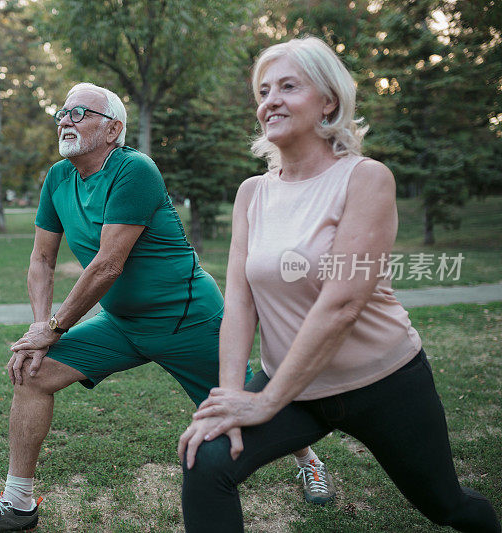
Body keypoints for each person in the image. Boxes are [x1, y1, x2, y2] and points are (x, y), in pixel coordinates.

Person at [0, 82, 332, 533]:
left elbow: (108, 264)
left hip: (186, 320)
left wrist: (54, 326)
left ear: (113, 129)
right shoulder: (58, 178)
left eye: (79, 112)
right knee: (32, 373)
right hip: (121, 323)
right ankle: (18, 504)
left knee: (249, 404)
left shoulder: (135, 169)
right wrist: (39, 328)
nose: (65, 120)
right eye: (62, 113)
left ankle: (310, 459)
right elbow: (41, 259)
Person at [178, 36, 501, 533]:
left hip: (384, 382)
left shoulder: (366, 178)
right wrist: (228, 399)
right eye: (263, 91)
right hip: (297, 387)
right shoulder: (251, 194)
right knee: (207, 458)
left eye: (288, 86)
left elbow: (342, 303)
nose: (271, 101)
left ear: (328, 100)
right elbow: (240, 301)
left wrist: (265, 402)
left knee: (446, 505)